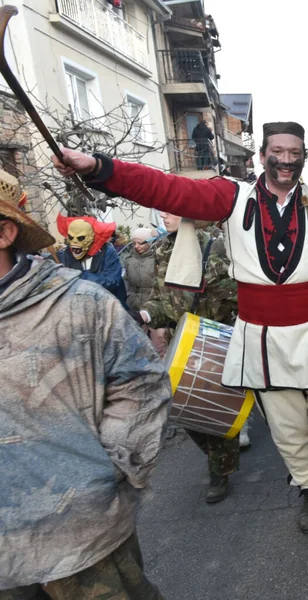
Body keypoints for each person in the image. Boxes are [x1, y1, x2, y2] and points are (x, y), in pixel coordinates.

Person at [52, 121, 308, 554]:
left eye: (294, 152)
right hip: (260, 337)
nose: (286, 160)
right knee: (288, 433)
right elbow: (164, 189)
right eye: (278, 151)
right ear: (262, 154)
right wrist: (97, 166)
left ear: (305, 156)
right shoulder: (230, 196)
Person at [0, 169, 170, 597]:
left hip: (79, 536)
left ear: (4, 232)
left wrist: (101, 476)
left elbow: (141, 385)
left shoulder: (81, 305)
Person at [137, 211, 242, 502]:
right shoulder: (162, 249)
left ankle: (220, 472)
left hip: (212, 340)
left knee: (214, 409)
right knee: (185, 413)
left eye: (171, 209)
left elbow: (238, 291)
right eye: (161, 210)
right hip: (179, 341)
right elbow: (162, 298)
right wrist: (146, 313)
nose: (163, 215)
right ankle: (219, 455)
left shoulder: (214, 245)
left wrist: (210, 287)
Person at [56, 214, 128, 307]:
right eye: (71, 237)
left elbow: (112, 281)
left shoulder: (107, 252)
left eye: (80, 238)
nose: (74, 242)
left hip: (107, 307)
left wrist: (81, 276)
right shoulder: (66, 254)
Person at [121, 226, 156, 312]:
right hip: (132, 304)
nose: (136, 246)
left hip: (151, 305)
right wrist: (127, 296)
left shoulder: (156, 259)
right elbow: (126, 280)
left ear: (149, 243)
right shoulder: (129, 259)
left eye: (140, 243)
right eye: (134, 243)